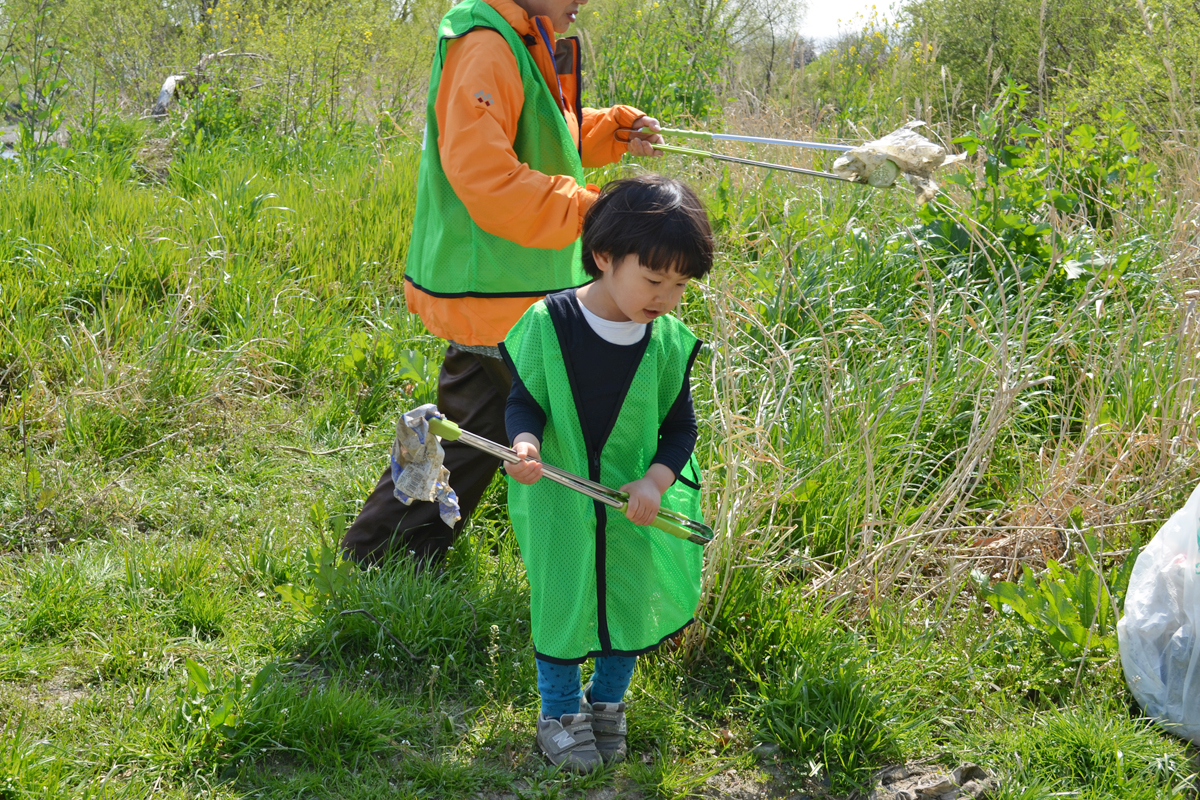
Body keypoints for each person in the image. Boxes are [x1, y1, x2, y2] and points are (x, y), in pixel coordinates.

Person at [340, 0, 665, 566]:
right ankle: (614, 581)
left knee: (468, 435)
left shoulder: (519, 36)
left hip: (505, 291)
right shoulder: (486, 45)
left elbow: (540, 136)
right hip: (499, 289)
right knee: (580, 437)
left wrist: (609, 132)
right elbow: (487, 175)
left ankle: (380, 552)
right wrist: (598, 214)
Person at [501, 175, 713, 772]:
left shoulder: (669, 342)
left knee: (625, 603)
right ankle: (560, 713)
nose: (665, 297)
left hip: (634, 507)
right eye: (653, 279)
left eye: (680, 285)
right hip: (559, 501)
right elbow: (525, 402)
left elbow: (680, 432)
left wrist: (653, 482)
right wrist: (523, 443)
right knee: (563, 600)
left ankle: (606, 704)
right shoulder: (550, 323)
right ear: (603, 257)